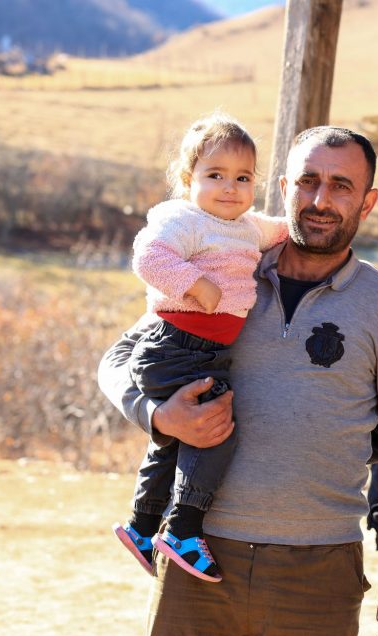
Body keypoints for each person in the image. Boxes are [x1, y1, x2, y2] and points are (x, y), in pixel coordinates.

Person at [98, 126, 378, 636]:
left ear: (368, 201)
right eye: (307, 181)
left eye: (341, 186)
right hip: (198, 554)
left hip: (319, 569)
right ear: (282, 188)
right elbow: (118, 359)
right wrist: (158, 416)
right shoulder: (226, 265)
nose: (321, 199)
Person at [112, 113, 288, 583]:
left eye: (243, 178)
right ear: (188, 179)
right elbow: (148, 256)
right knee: (214, 432)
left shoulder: (247, 226)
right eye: (215, 175)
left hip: (202, 351)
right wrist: (196, 283)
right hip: (175, 345)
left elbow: (282, 229)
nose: (230, 188)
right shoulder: (185, 220)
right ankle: (184, 529)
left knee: (175, 439)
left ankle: (142, 526)